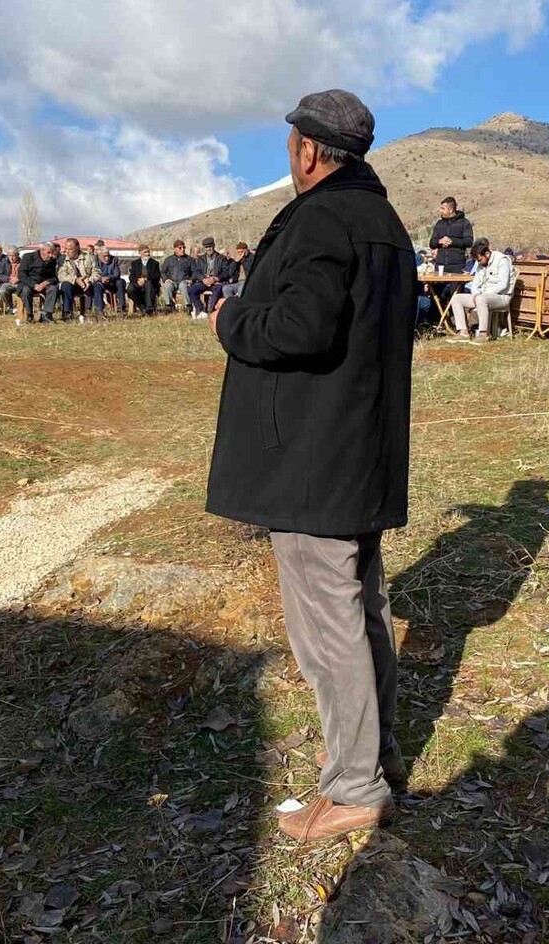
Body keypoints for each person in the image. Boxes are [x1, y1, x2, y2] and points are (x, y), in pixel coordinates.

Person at [206, 89, 415, 842]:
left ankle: (356, 787)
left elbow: (300, 327)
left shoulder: (323, 218)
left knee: (329, 627)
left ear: (306, 151)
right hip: (358, 450)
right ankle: (373, 759)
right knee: (363, 612)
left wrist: (231, 318)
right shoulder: (385, 223)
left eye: (290, 146)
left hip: (311, 458)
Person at [446, 238, 514, 343]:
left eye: (480, 259)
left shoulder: (502, 260)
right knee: (457, 298)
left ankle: (483, 334)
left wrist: (482, 295)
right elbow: (475, 283)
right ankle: (463, 332)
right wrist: (475, 294)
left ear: (487, 254)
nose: (479, 262)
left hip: (501, 297)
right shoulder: (481, 263)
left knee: (481, 299)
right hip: (482, 296)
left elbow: (503, 285)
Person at [17, 242, 59, 324]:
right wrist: (34, 285)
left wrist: (45, 283)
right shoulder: (28, 257)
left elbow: (54, 278)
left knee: (53, 289)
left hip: (44, 284)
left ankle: (46, 315)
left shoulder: (52, 261)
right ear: (42, 250)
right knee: (25, 290)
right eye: (48, 252)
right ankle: (29, 315)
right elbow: (22, 275)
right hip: (29, 283)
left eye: (52, 253)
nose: (50, 255)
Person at [189, 236, 230, 318]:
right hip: (204, 282)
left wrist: (215, 278)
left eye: (210, 246)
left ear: (214, 246)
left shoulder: (221, 258)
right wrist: (203, 279)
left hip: (216, 282)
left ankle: (211, 311)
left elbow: (226, 273)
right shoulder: (200, 259)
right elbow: (196, 272)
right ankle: (201, 310)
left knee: (217, 290)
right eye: (206, 247)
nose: (208, 249)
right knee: (191, 289)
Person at [56, 238, 97, 320]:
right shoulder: (62, 259)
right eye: (66, 248)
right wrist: (76, 280)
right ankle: (67, 313)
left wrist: (89, 280)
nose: (67, 251)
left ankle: (99, 312)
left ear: (77, 248)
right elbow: (61, 275)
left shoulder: (89, 257)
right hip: (72, 285)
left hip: (87, 284)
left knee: (98, 285)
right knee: (65, 285)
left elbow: (97, 272)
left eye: (70, 249)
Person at [208, 242, 253, 309]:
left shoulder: (252, 258)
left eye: (241, 251)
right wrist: (235, 262)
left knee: (241, 288)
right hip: (238, 282)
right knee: (226, 288)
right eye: (238, 252)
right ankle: (232, 307)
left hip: (248, 282)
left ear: (246, 250)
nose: (240, 253)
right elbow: (231, 273)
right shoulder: (239, 259)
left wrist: (244, 261)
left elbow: (251, 270)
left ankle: (241, 308)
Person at [89, 240, 125, 316]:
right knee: (97, 285)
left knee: (120, 282)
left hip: (112, 281)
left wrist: (109, 278)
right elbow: (94, 273)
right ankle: (99, 311)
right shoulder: (94, 260)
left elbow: (117, 274)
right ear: (99, 255)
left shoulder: (114, 259)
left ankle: (121, 308)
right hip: (100, 281)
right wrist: (101, 278)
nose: (107, 258)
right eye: (104, 256)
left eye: (108, 255)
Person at [160, 239, 197, 311]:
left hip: (184, 281)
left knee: (184, 286)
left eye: (184, 247)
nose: (182, 249)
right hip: (172, 281)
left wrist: (191, 280)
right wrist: (166, 279)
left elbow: (195, 272)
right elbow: (163, 272)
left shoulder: (189, 259)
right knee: (168, 286)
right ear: (175, 249)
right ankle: (169, 306)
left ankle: (188, 306)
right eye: (180, 248)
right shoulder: (168, 260)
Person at [126, 244, 162, 315]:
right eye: (145, 252)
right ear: (140, 253)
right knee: (130, 289)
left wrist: (146, 279)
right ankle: (142, 307)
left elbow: (157, 276)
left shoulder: (154, 263)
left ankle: (149, 309)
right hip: (138, 284)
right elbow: (131, 277)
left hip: (151, 285)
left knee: (148, 283)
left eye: (148, 252)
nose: (147, 254)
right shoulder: (134, 263)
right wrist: (138, 280)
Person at [0, 246, 23, 314]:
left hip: (20, 283)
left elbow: (28, 275)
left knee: (25, 290)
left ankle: (23, 309)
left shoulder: (23, 262)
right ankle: (10, 308)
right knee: (2, 290)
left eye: (13, 256)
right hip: (8, 283)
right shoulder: (4, 262)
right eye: (9, 255)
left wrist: (19, 279)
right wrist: (9, 279)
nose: (11, 258)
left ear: (18, 255)